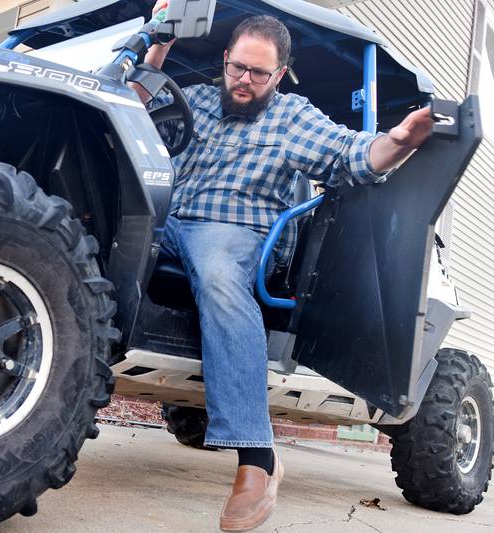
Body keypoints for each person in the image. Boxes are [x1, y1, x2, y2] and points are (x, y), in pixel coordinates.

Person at [136, 3, 435, 531]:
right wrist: (158, 44)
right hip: (166, 221)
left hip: (233, 233)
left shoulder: (292, 118)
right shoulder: (196, 100)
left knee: (221, 278)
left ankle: (256, 456)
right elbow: (124, 107)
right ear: (224, 59)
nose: (244, 81)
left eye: (258, 73)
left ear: (279, 75)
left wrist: (402, 141)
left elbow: (354, 155)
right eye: (237, 68)